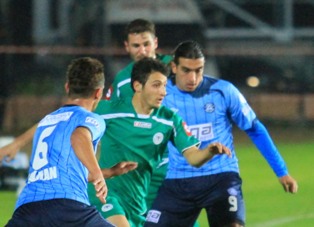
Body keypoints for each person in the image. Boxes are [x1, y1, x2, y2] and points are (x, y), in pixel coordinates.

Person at [144, 41, 299, 227]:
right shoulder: (160, 94)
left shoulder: (223, 91)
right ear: (174, 67)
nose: (193, 78)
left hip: (220, 177)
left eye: (199, 70)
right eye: (186, 70)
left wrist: (281, 171)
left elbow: (254, 129)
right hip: (176, 180)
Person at [87, 57, 231, 227]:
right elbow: (76, 118)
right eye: (156, 85)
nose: (163, 92)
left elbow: (193, 158)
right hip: (104, 195)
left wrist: (210, 151)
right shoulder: (108, 111)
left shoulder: (169, 120)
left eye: (164, 85)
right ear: (138, 86)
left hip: (137, 204)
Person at [5, 57, 137, 227]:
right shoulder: (90, 118)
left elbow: (65, 171)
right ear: (98, 93)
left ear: (67, 87)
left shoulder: (47, 121)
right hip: (68, 208)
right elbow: (79, 137)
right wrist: (97, 174)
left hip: (27, 210)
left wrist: (109, 172)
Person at [104, 18, 173, 212]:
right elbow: (111, 120)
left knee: (180, 216)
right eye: (136, 45)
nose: (142, 50)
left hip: (177, 162)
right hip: (143, 167)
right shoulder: (122, 82)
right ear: (127, 46)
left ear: (155, 43)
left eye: (146, 44)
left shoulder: (175, 68)